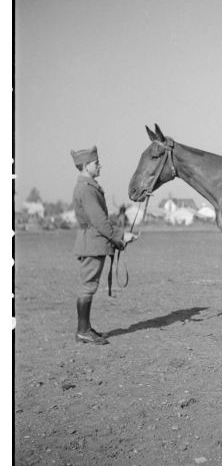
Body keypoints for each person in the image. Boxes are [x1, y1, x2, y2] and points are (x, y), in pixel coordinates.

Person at [71, 146, 137, 344]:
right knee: (87, 286)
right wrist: (121, 236)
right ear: (85, 166)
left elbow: (100, 221)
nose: (100, 165)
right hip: (92, 243)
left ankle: (85, 329)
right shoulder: (87, 188)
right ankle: (83, 331)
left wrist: (118, 236)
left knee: (88, 285)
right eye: (96, 163)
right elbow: (100, 221)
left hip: (92, 241)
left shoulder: (88, 186)